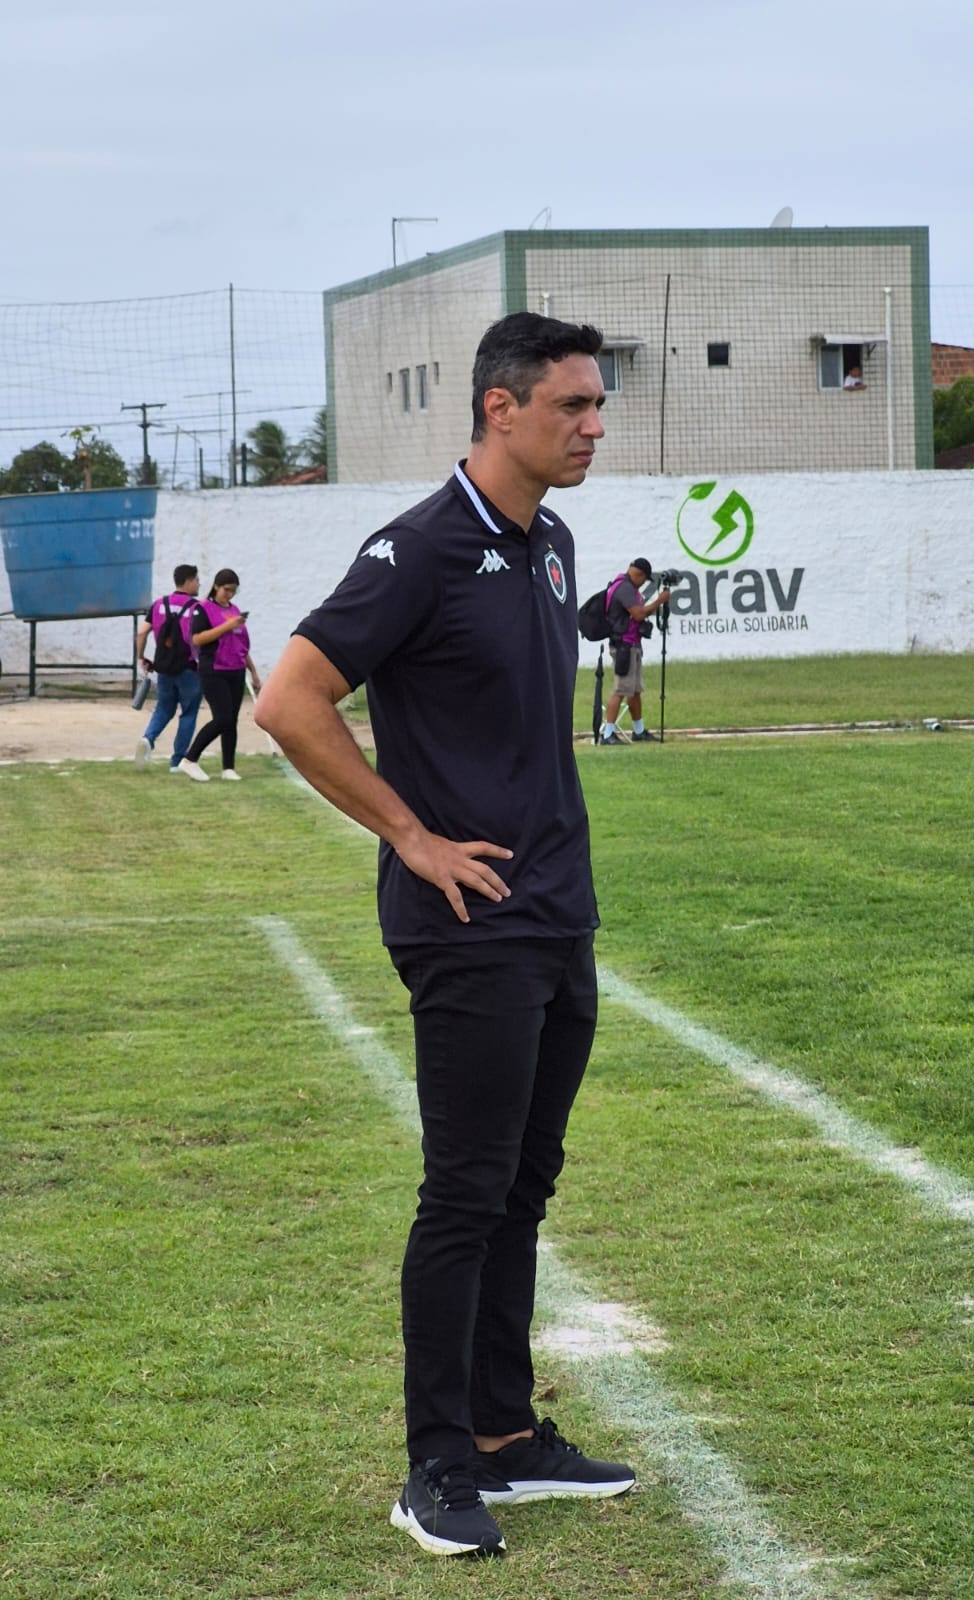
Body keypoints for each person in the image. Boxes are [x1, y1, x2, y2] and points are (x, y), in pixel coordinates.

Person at [254, 311, 636, 1560]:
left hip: (556, 914)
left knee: (525, 1183)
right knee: (465, 1191)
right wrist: (411, 836)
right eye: (572, 405)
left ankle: (503, 1437)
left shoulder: (557, 545)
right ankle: (433, 1467)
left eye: (595, 404)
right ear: (498, 409)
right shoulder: (416, 548)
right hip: (467, 927)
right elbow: (291, 699)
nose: (592, 426)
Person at [177, 569, 260, 783]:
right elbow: (197, 639)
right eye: (226, 590)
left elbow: (240, 644)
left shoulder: (234, 611)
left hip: (236, 669)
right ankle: (189, 759)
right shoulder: (202, 610)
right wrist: (227, 626)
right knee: (222, 718)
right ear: (216, 586)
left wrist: (253, 671)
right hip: (214, 670)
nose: (229, 595)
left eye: (233, 591)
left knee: (231, 720)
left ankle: (228, 767)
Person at [134, 563, 203, 772]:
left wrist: (141, 657)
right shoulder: (196, 607)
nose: (199, 584)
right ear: (189, 581)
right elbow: (198, 640)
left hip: (163, 666)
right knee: (189, 712)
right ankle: (177, 761)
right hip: (189, 667)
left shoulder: (158, 605)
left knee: (164, 708)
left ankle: (148, 738)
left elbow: (142, 633)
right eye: (197, 580)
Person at [599, 559, 671, 745]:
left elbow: (637, 614)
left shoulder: (626, 586)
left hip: (631, 644)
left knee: (634, 690)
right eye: (644, 580)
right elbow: (639, 614)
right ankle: (608, 734)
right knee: (621, 689)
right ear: (639, 574)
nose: (643, 584)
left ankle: (638, 730)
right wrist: (659, 601)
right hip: (624, 646)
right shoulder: (624, 588)